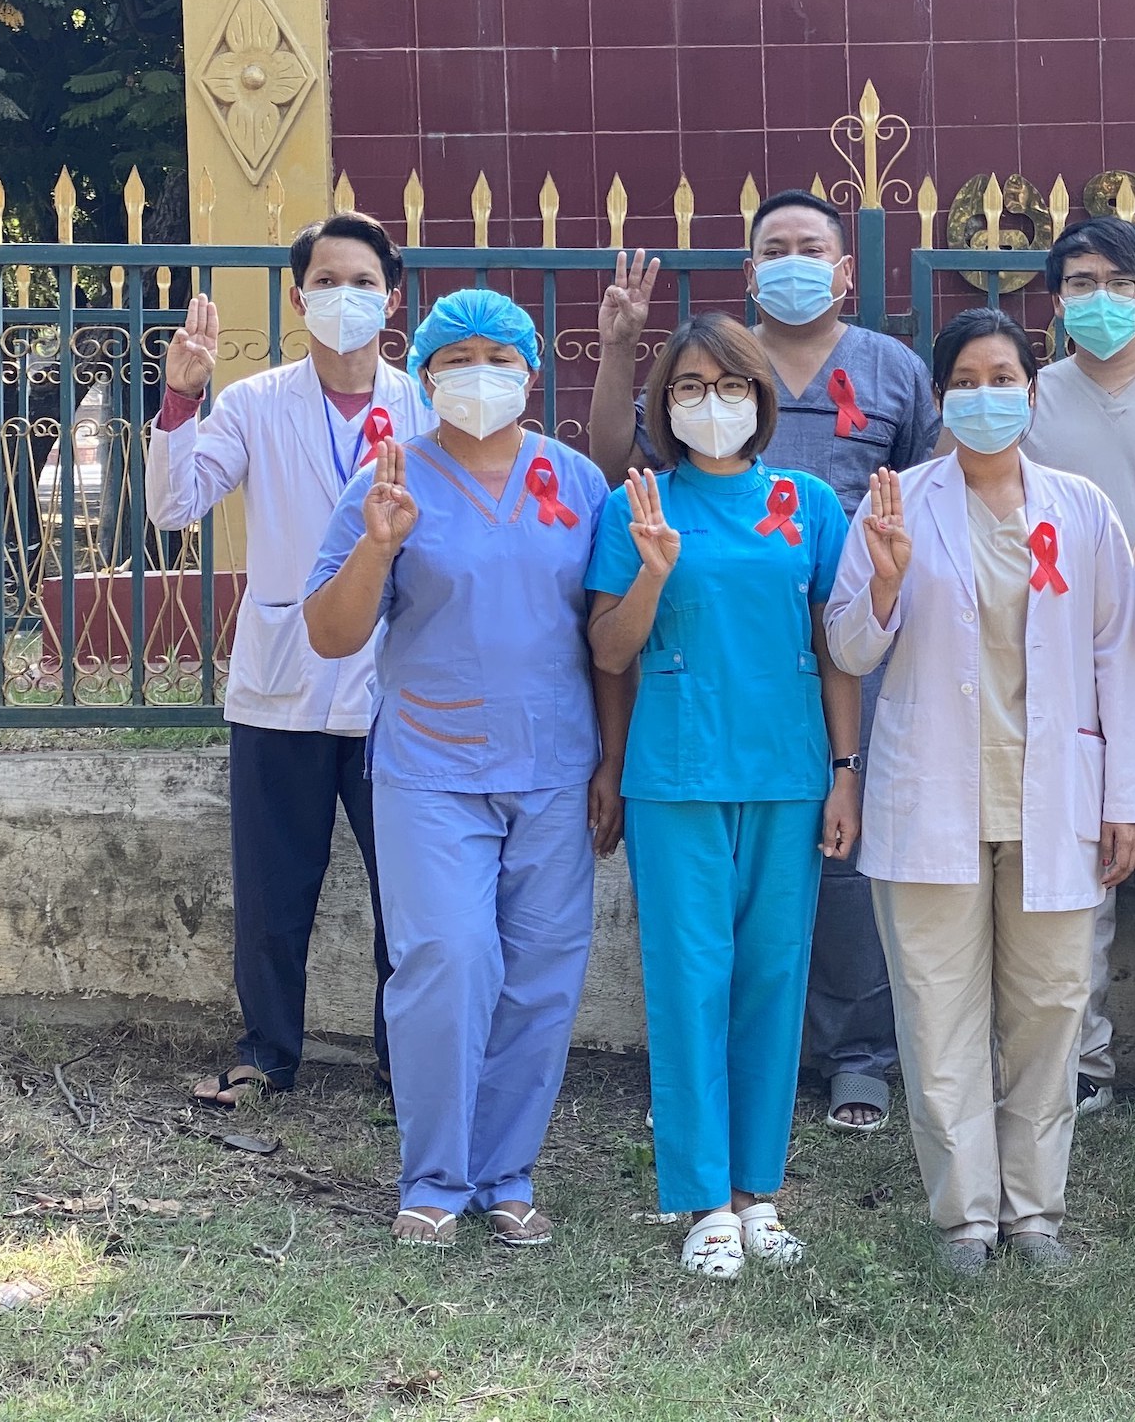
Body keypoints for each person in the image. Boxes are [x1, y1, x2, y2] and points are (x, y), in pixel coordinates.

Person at [590, 190, 938, 1135]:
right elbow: (614, 461)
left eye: (809, 247)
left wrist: (881, 598)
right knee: (702, 945)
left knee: (835, 879)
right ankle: (707, 1152)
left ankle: (856, 1055)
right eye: (772, 249)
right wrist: (621, 346)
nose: (792, 262)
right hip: (698, 685)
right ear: (748, 273)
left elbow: (925, 482)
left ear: (845, 269)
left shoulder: (889, 376)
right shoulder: (707, 379)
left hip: (839, 635)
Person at [826, 307, 1135, 1274]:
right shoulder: (897, 503)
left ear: (1031, 386)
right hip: (933, 793)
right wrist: (884, 584)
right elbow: (848, 646)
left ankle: (1035, 1209)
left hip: (1054, 795)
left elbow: (1116, 658)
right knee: (938, 1008)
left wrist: (1124, 797)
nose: (984, 395)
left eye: (1002, 376)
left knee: (1050, 1004)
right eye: (964, 380)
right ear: (940, 396)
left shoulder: (1082, 507)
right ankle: (966, 1214)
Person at [303, 288, 611, 1249]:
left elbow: (606, 639)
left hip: (556, 765)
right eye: (458, 355)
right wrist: (377, 544)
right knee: (448, 957)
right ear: (426, 371)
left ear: (530, 367)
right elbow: (329, 631)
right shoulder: (389, 481)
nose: (480, 372)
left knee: (542, 972)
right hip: (431, 766)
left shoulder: (579, 481)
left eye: (499, 353)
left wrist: (611, 763)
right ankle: (434, 1171)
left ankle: (505, 1169)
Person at [585, 313, 859, 1278]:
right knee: (690, 980)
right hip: (679, 774)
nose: (713, 403)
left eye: (730, 385)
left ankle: (760, 1193)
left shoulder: (810, 502)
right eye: (692, 388)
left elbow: (838, 646)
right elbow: (609, 651)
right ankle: (702, 1197)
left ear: (759, 396)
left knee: (772, 984)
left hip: (787, 772)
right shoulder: (641, 503)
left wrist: (844, 773)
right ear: (666, 402)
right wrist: (654, 574)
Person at [145, 213, 432, 1111]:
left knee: (412, 894)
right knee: (275, 891)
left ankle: (407, 1061)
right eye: (325, 281)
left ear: (392, 297)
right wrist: (182, 401)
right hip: (282, 687)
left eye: (363, 282)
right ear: (298, 295)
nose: (343, 298)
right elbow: (173, 506)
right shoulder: (255, 402)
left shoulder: (429, 404)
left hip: (401, 692)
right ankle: (265, 1053)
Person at [1019, 217, 1135, 1132]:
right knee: (1078, 876)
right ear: (1055, 301)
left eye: (1117, 281)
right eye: (1080, 282)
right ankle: (1083, 1057)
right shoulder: (1028, 395)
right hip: (1066, 670)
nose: (1099, 299)